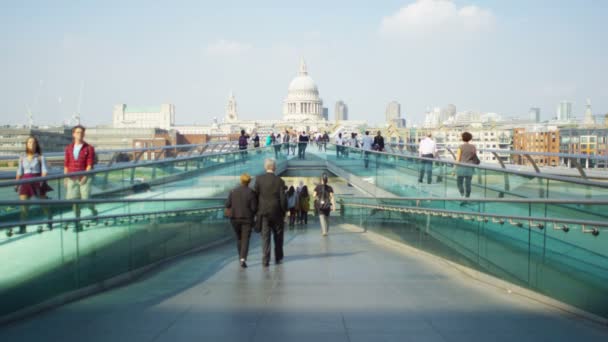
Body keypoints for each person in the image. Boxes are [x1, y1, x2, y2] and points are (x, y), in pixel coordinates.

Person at [12, 136, 52, 235]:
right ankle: (23, 228)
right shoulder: (22, 157)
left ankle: (49, 220)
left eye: (33, 143)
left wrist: (42, 183)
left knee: (43, 205)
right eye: (29, 142)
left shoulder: (40, 157)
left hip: (37, 181)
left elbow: (44, 171)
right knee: (23, 207)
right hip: (25, 182)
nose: (31, 144)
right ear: (26, 144)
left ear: (36, 145)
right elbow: (19, 172)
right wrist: (16, 185)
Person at [64, 125, 97, 231]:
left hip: (84, 176)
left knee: (86, 198)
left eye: (82, 132)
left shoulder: (89, 148)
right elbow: (66, 164)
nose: (80, 134)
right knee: (75, 200)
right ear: (73, 134)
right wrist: (65, 178)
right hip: (72, 177)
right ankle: (77, 221)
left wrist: (85, 176)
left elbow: (89, 164)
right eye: (77, 132)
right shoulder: (68, 148)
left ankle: (94, 211)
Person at [254, 158, 287, 266]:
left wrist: (256, 210)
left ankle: (265, 259)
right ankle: (278, 257)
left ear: (265, 167)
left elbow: (256, 196)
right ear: (274, 167)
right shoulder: (280, 181)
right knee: (278, 236)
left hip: (263, 212)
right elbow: (283, 199)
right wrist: (284, 211)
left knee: (265, 237)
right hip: (277, 212)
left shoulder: (259, 180)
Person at [225, 173, 258, 268]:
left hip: (234, 219)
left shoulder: (233, 191)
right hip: (247, 219)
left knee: (239, 238)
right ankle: (243, 259)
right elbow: (254, 208)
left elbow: (227, 204)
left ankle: (240, 256)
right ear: (249, 181)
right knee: (245, 239)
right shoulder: (251, 192)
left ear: (241, 180)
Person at [455, 132, 477, 205]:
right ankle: (467, 198)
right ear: (470, 138)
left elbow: (458, 159)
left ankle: (462, 196)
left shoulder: (460, 147)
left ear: (462, 138)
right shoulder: (473, 147)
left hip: (461, 167)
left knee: (459, 183)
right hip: (470, 167)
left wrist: (454, 168)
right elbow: (474, 157)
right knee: (468, 184)